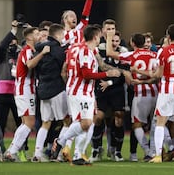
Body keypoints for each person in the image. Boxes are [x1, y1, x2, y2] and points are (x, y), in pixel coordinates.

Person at [51, 25, 121, 165]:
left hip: (84, 91)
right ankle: (61, 141)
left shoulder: (83, 50)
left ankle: (78, 155)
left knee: (84, 123)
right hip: (79, 91)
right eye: (100, 36)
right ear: (95, 37)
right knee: (86, 123)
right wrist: (107, 74)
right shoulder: (84, 51)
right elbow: (86, 74)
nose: (100, 38)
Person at [139, 24, 174, 163]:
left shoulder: (164, 51)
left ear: (168, 37)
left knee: (160, 122)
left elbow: (159, 74)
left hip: (167, 90)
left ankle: (157, 155)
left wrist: (151, 73)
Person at [106, 33, 158, 162]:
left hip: (141, 94)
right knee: (155, 124)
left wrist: (108, 37)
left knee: (136, 125)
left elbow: (109, 53)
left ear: (133, 43)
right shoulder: (155, 55)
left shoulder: (131, 55)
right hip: (156, 92)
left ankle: (147, 150)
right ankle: (153, 151)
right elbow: (158, 74)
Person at [4, 27, 50, 162]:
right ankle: (12, 151)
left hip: (23, 90)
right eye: (36, 34)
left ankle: (11, 151)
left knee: (25, 123)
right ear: (30, 38)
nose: (39, 36)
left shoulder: (30, 50)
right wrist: (42, 53)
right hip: (25, 90)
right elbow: (29, 64)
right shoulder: (27, 50)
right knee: (29, 123)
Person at [90, 19, 128, 162]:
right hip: (101, 88)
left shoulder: (122, 50)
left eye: (113, 28)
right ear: (103, 30)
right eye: (108, 28)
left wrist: (111, 81)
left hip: (116, 89)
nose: (110, 31)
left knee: (118, 118)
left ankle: (116, 151)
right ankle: (96, 149)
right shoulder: (97, 48)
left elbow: (124, 72)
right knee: (98, 118)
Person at [32, 24, 68, 162]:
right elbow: (63, 70)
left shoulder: (40, 49)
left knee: (45, 123)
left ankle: (37, 154)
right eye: (63, 34)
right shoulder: (58, 50)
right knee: (66, 121)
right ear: (58, 35)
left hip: (42, 90)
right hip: (56, 89)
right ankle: (58, 154)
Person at [0, 21, 26, 161]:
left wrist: (28, 28)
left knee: (22, 124)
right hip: (2, 94)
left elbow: (29, 48)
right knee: (0, 124)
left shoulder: (20, 56)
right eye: (10, 43)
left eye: (15, 43)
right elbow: (1, 46)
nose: (12, 45)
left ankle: (22, 151)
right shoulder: (1, 57)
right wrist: (13, 30)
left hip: (17, 94)